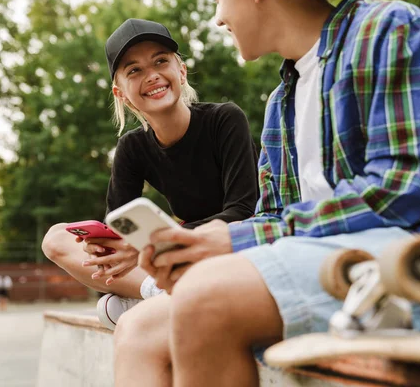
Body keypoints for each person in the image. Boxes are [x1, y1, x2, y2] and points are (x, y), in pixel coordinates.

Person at [112, 0, 420, 386]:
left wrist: (235, 238)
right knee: (138, 329)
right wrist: (206, 244)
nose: (219, 17)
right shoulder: (281, 102)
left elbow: (405, 189)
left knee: (207, 298)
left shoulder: (390, 29)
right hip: (346, 267)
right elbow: (275, 215)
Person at [41, 18, 259, 329]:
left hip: (236, 247)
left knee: (126, 278)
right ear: (121, 93)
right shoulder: (131, 148)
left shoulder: (225, 120)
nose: (152, 75)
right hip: (172, 257)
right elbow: (119, 231)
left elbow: (243, 213)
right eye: (135, 70)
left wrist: (150, 244)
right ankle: (159, 292)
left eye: (160, 61)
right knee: (55, 239)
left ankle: (153, 295)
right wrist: (105, 248)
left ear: (180, 71)